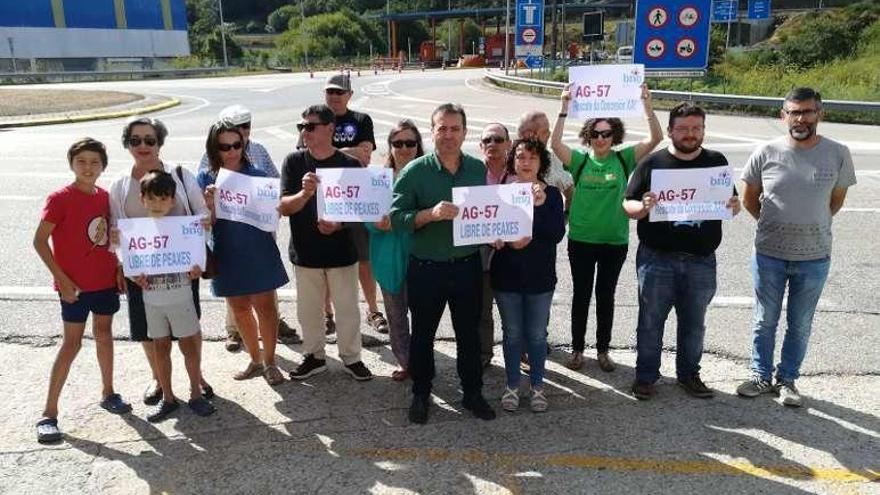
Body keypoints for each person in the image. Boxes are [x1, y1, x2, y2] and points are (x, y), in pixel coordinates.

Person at [736, 87, 856, 407]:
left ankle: (787, 380)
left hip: (814, 256)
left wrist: (809, 223)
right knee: (765, 320)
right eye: (793, 112)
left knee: (800, 324)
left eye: (807, 111)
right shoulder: (765, 152)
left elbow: (835, 201)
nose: (800, 118)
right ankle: (761, 375)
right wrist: (774, 226)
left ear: (820, 114)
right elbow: (749, 199)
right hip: (769, 254)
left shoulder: (838, 153)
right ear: (783, 115)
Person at [623, 102, 740, 401]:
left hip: (701, 260)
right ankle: (646, 376)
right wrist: (643, 207)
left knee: (694, 323)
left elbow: (731, 203)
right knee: (650, 321)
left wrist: (734, 206)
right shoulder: (652, 163)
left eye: (696, 128)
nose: (690, 134)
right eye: (683, 129)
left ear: (703, 130)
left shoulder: (716, 161)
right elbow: (628, 204)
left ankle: (689, 375)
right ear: (671, 131)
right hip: (656, 258)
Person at [390, 103, 496, 424]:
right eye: (442, 128)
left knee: (469, 334)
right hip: (426, 268)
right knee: (423, 334)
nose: (448, 135)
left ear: (464, 132)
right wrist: (430, 214)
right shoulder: (414, 171)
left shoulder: (479, 170)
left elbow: (492, 210)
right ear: (432, 131)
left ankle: (473, 393)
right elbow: (397, 219)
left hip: (466, 266)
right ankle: (421, 393)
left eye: (455, 129)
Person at [552, 83, 662, 372]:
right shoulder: (578, 160)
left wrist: (647, 105)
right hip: (582, 239)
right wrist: (564, 108)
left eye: (606, 134)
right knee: (581, 295)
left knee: (606, 296)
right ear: (588, 136)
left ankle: (603, 351)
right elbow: (555, 145)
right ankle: (577, 350)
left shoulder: (623, 158)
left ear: (614, 136)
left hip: (614, 240)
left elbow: (656, 138)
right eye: (596, 134)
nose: (601, 139)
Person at [109, 117, 213, 406]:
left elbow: (202, 216)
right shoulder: (119, 185)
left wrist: (197, 255)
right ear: (128, 144)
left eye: (149, 140)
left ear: (160, 143)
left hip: (181, 270)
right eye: (135, 140)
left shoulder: (180, 175)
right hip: (141, 274)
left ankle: (197, 378)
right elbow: (116, 234)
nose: (143, 146)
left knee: (190, 330)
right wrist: (127, 267)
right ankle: (158, 379)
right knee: (148, 331)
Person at [33, 138, 130, 443]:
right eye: (82, 161)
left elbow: (111, 238)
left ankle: (108, 391)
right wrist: (61, 279)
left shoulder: (105, 197)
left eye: (94, 162)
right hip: (73, 287)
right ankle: (49, 413)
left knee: (104, 334)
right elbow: (39, 241)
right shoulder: (60, 198)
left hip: (104, 282)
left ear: (103, 166)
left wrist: (117, 267)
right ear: (72, 163)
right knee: (71, 344)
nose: (88, 168)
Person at [279, 105, 373, 381]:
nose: (304, 132)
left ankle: (352, 357)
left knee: (347, 311)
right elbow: (284, 207)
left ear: (330, 129)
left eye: (310, 126)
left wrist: (339, 225)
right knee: (309, 312)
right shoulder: (294, 162)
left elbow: (362, 211)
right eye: (302, 127)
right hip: (306, 252)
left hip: (342, 252)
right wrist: (304, 194)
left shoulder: (350, 165)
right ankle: (314, 355)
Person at [197, 104, 297, 352]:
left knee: (266, 309)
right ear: (214, 148)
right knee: (240, 310)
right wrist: (210, 205)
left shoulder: (259, 175)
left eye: (236, 145)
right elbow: (205, 224)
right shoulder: (205, 178)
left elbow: (275, 211)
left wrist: (276, 207)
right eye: (224, 146)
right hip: (227, 252)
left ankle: (270, 361)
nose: (231, 151)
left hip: (258, 249)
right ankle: (255, 359)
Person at [134, 171, 215, 421]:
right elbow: (129, 260)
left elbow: (198, 260)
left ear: (172, 200)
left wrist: (196, 268)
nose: (158, 204)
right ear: (142, 199)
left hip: (180, 297)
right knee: (161, 348)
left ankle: (195, 394)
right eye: (152, 199)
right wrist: (134, 274)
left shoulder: (185, 228)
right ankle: (168, 398)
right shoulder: (136, 231)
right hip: (153, 301)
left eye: (163, 199)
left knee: (189, 346)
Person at [492, 139, 565, 413]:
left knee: (536, 335)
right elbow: (490, 230)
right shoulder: (501, 193)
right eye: (520, 157)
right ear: (513, 161)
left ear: (541, 163)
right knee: (511, 334)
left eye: (532, 158)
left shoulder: (553, 194)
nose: (526, 162)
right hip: (507, 276)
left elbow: (556, 234)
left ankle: (537, 387)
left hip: (540, 278)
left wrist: (540, 204)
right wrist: (499, 240)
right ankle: (512, 385)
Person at [316, 74, 388, 336]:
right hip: (326, 198)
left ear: (349, 95)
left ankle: (372, 310)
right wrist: (347, 152)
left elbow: (365, 157)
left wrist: (328, 151)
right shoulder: (315, 120)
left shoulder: (360, 120)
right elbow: (309, 156)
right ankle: (327, 314)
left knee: (363, 259)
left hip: (357, 198)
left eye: (339, 92)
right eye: (330, 92)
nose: (334, 97)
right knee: (325, 261)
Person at [365, 119, 424, 381]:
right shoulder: (378, 179)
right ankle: (404, 361)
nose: (404, 148)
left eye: (410, 143)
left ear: (418, 145)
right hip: (388, 256)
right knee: (396, 315)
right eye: (397, 143)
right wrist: (376, 223)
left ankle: (423, 360)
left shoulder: (428, 175)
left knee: (423, 315)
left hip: (423, 255)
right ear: (389, 147)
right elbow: (366, 215)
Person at [477, 122, 514, 368]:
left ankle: (519, 353)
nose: (493, 144)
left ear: (509, 145)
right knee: (482, 312)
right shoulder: (471, 175)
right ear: (481, 146)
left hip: (514, 254)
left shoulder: (519, 176)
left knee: (513, 313)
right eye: (488, 140)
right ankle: (483, 355)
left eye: (498, 140)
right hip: (481, 255)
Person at [517, 110, 574, 209]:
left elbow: (570, 191)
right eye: (545, 131)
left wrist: (565, 216)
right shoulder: (505, 161)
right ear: (531, 135)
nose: (549, 134)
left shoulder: (551, 159)